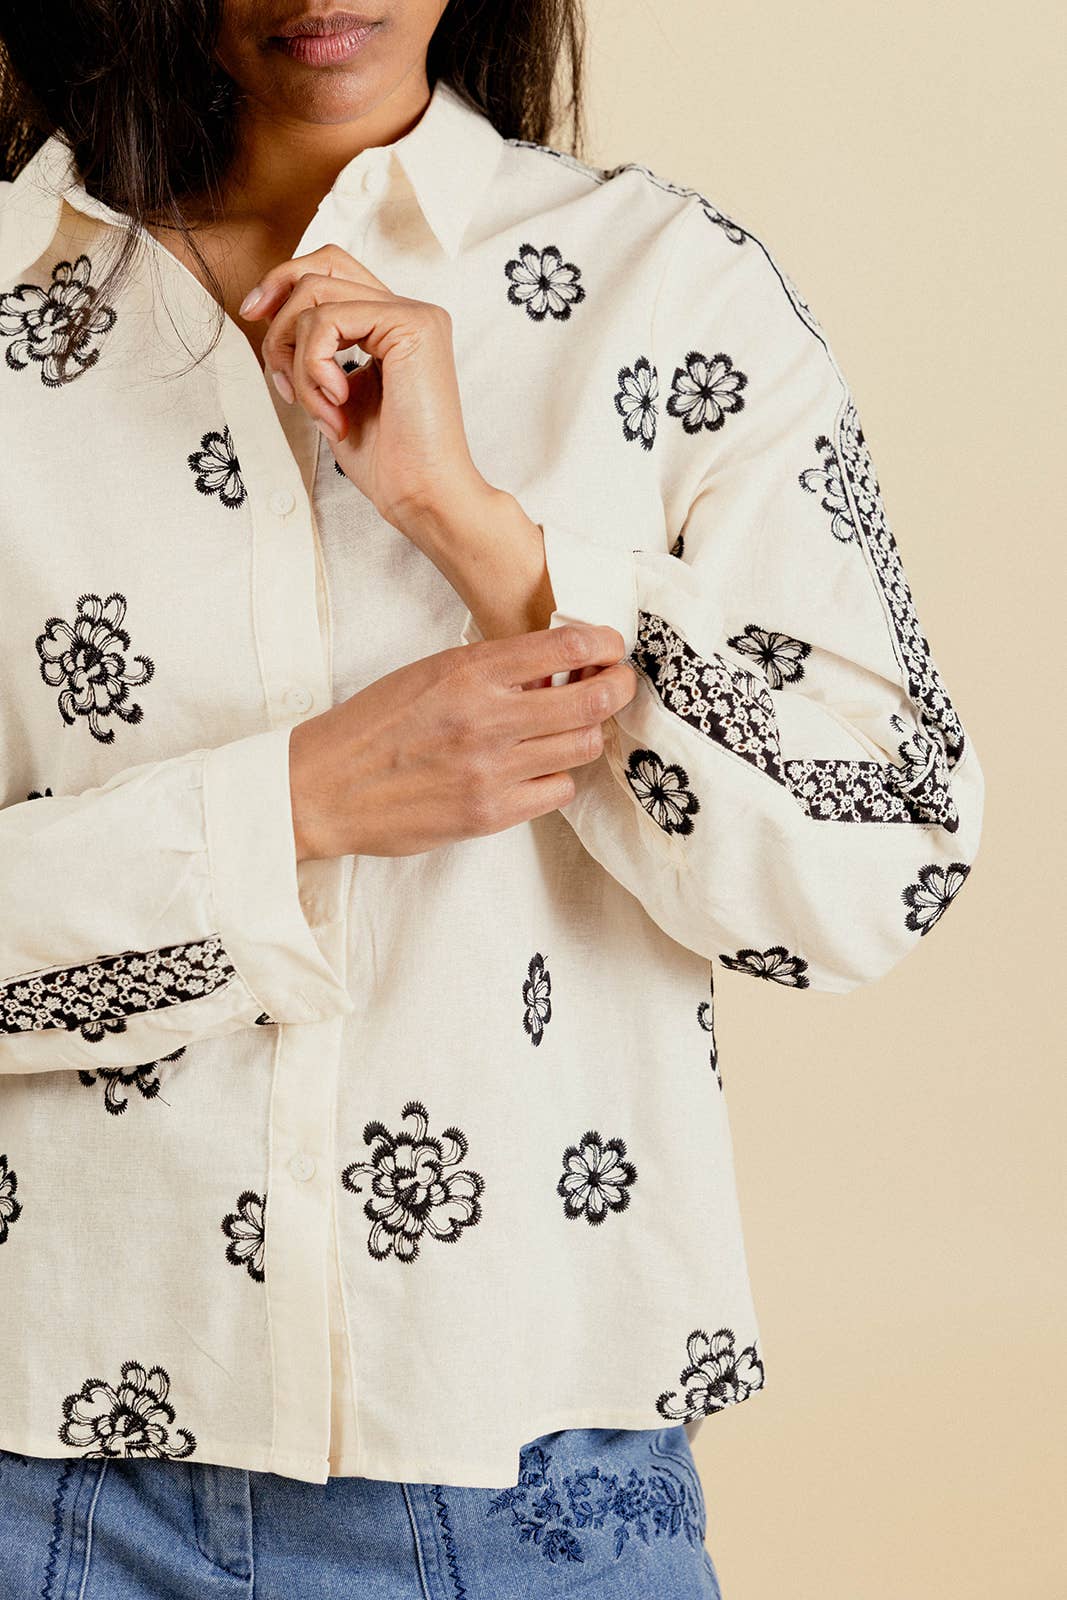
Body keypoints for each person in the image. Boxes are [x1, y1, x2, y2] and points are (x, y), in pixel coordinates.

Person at [0, 1, 984, 1596]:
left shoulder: (663, 289)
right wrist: (292, 808)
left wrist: (484, 536)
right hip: (38, 1473)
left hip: (535, 1484)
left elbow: (881, 873)